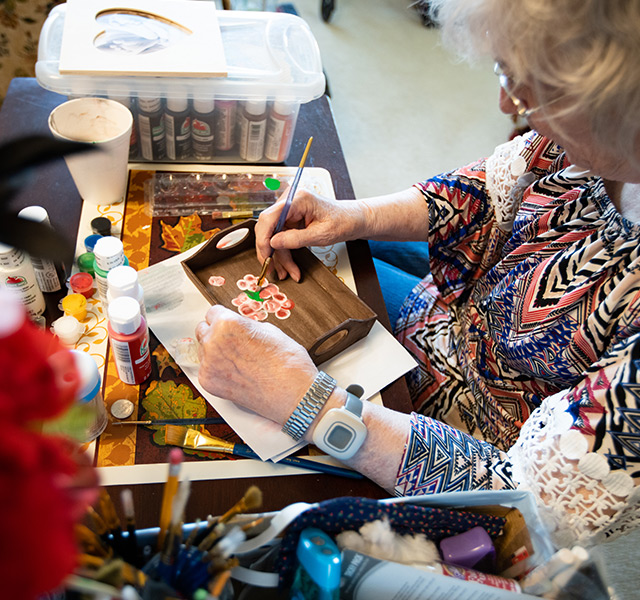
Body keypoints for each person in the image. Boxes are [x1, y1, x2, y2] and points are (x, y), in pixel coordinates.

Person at [195, 0, 640, 549]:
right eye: (510, 74)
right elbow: (491, 188)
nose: (507, 103)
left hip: (456, 452)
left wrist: (307, 403)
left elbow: (523, 511)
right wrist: (355, 217)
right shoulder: (590, 142)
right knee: (339, 262)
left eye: (535, 90)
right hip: (432, 327)